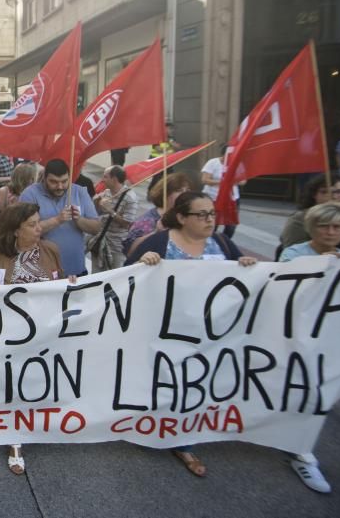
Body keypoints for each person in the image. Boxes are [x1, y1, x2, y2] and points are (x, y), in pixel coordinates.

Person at [126, 192, 257, 480]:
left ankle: (183, 439)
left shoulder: (222, 244)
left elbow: (243, 281)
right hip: (164, 332)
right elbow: (126, 279)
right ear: (183, 217)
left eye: (212, 213)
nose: (210, 219)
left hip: (209, 337)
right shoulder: (160, 242)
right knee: (164, 383)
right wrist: (142, 262)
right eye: (202, 214)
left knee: (194, 385)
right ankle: (152, 424)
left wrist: (247, 267)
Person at [277, 201, 340, 493]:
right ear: (312, 228)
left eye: (337, 226)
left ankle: (301, 447)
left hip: (330, 339)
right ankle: (300, 450)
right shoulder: (295, 255)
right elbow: (282, 291)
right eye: (324, 226)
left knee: (318, 392)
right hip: (296, 336)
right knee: (300, 388)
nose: (331, 231)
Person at [0, 202, 63, 475]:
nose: (40, 228)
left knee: (37, 381)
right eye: (32, 224)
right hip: (7, 334)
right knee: (13, 384)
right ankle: (14, 439)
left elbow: (60, 287)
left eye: (39, 222)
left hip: (44, 331)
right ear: (15, 230)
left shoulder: (50, 250)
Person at [278, 173, 340, 290]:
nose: (333, 196)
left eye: (339, 192)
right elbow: (294, 256)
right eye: (325, 192)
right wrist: (321, 261)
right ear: (314, 195)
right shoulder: (299, 220)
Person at [18, 159, 100, 276]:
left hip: (76, 269)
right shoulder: (30, 194)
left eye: (64, 181)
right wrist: (57, 220)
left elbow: (96, 228)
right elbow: (23, 231)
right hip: (43, 272)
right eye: (54, 182)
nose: (60, 186)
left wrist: (79, 220)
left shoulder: (79, 192)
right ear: (44, 178)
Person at [122, 172, 192, 258]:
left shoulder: (188, 217)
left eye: (187, 190)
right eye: (178, 190)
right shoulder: (147, 220)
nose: (184, 194)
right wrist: (156, 232)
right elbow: (130, 252)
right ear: (166, 193)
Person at [89, 165, 139, 271]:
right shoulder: (106, 192)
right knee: (95, 273)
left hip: (116, 245)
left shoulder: (130, 198)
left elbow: (127, 224)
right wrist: (96, 203)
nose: (102, 180)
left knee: (113, 275)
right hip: (100, 240)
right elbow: (97, 214)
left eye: (105, 177)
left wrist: (111, 211)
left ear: (114, 179)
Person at [201, 145, 243, 238]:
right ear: (223, 154)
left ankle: (225, 242)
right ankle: (209, 242)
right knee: (212, 223)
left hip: (232, 198)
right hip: (213, 197)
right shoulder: (213, 162)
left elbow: (243, 181)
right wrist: (223, 182)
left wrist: (233, 180)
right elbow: (205, 179)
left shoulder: (238, 163)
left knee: (231, 225)